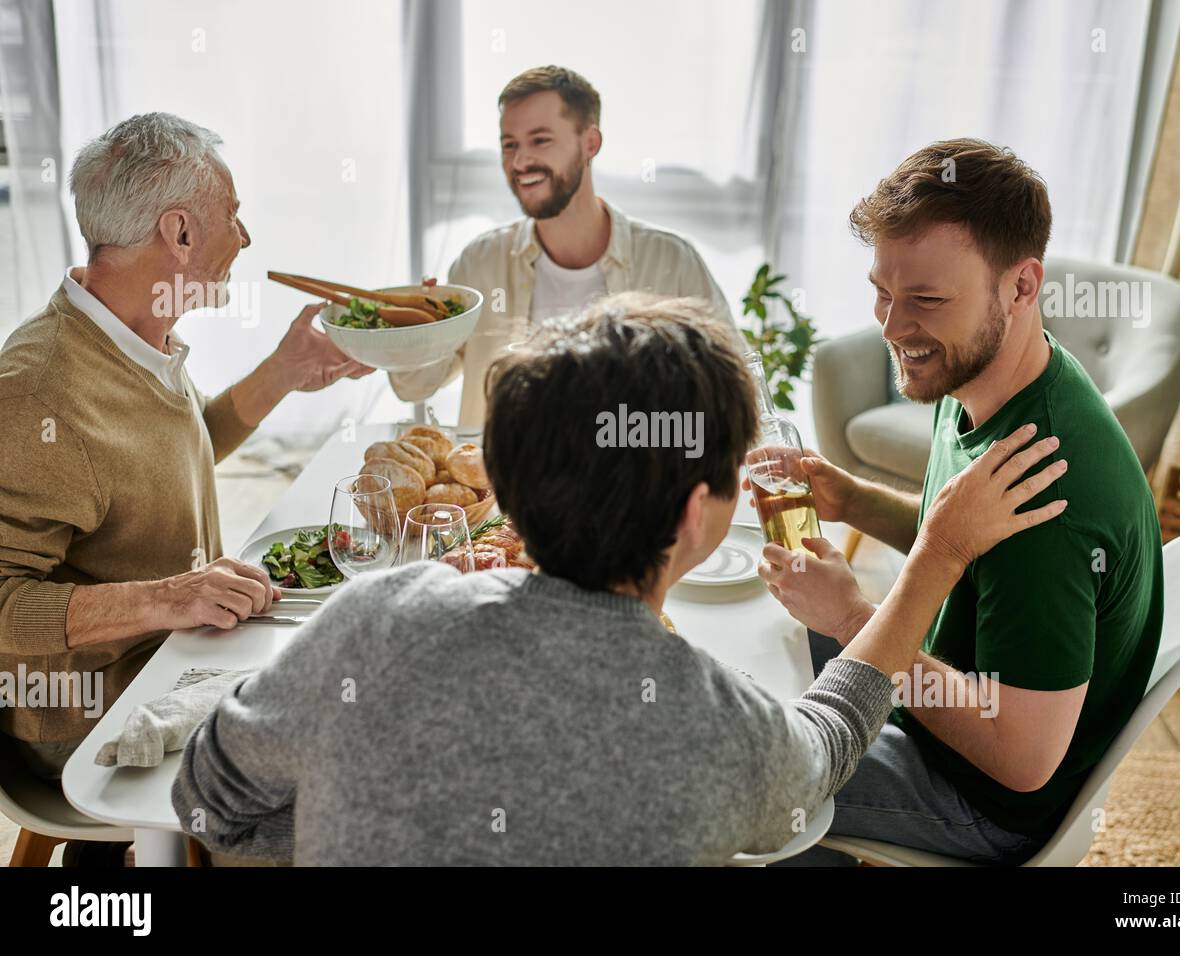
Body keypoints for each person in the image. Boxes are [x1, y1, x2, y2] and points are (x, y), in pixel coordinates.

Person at [173, 291, 1065, 865]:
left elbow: (210, 804)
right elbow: (827, 745)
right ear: (693, 517)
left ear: (511, 489)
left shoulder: (373, 613)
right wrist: (938, 557)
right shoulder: (721, 726)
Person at [758, 139, 1163, 864]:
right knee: (752, 655)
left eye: (926, 300)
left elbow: (1022, 757)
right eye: (883, 291)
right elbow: (968, 540)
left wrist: (854, 617)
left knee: (748, 781)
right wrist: (853, 498)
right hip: (938, 705)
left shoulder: (1050, 492)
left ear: (1020, 286)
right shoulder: (994, 376)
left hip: (979, 797)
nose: (891, 326)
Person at [0, 112, 373, 781]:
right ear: (179, 231)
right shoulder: (38, 389)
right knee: (353, 754)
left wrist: (285, 370)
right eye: (232, 213)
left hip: (175, 655)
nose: (246, 236)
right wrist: (169, 597)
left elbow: (169, 451)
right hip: (91, 716)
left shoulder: (134, 334)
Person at [389, 65, 735, 429]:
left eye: (540, 140)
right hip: (499, 483)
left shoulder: (672, 263)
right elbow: (415, 385)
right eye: (510, 145)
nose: (520, 161)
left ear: (590, 143)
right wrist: (420, 328)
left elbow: (733, 389)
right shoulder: (479, 264)